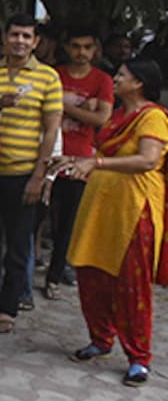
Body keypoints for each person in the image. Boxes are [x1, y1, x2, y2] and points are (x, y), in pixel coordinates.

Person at [51, 60, 168, 387]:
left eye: (122, 76)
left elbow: (148, 160)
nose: (114, 79)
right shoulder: (117, 115)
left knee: (132, 283)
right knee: (91, 275)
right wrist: (73, 161)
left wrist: (96, 162)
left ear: (139, 83)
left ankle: (138, 358)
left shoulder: (153, 117)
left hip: (134, 210)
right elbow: (97, 156)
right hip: (101, 206)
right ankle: (101, 339)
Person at [0, 14, 63, 334]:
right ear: (5, 38)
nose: (20, 41)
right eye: (15, 35)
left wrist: (39, 176)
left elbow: (51, 131)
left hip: (24, 172)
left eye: (27, 36)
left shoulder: (48, 78)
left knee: (17, 243)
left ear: (36, 41)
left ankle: (8, 308)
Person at [46, 29, 114, 299]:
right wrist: (84, 110)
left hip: (80, 159)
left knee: (67, 222)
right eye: (76, 46)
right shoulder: (54, 74)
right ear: (66, 46)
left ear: (95, 49)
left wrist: (60, 108)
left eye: (87, 47)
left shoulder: (102, 80)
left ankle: (55, 274)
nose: (81, 52)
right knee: (39, 218)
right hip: (49, 153)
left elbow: (101, 119)